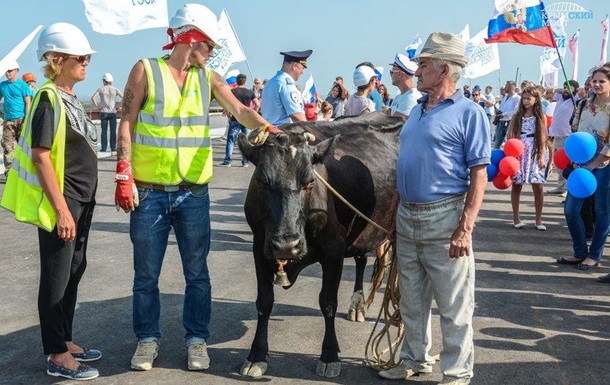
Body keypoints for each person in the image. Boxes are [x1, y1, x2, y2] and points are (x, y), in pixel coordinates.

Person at [114, 3, 279, 372]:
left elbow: (241, 111)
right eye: (209, 46)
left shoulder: (209, 78)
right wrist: (123, 173)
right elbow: (126, 120)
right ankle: (147, 340)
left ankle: (196, 340)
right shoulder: (146, 70)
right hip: (150, 192)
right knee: (146, 275)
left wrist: (275, 131)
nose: (212, 53)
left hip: (193, 193)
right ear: (190, 38)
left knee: (197, 273)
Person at [379, 32, 490, 385]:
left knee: (454, 306)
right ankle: (415, 358)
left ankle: (457, 374)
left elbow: (479, 174)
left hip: (445, 217)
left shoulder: (470, 113)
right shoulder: (416, 110)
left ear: (443, 70)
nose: (418, 69)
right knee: (411, 299)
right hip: (408, 215)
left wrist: (465, 227)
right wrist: (395, 215)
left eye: (424, 64)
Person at [1, 22, 100, 380]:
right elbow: (42, 156)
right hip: (65, 201)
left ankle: (67, 339)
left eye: (88, 57)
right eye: (80, 57)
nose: (86, 62)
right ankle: (56, 354)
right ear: (58, 60)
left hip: (82, 199)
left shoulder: (68, 97)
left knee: (74, 271)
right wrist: (61, 209)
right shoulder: (47, 98)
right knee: (56, 278)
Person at [557, 66, 610, 271]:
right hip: (580, 165)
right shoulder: (583, 104)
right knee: (570, 210)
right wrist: (575, 160)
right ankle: (579, 252)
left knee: (602, 211)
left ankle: (594, 255)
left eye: (601, 81)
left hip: (603, 165)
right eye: (594, 81)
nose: (596, 85)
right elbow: (576, 132)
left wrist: (594, 165)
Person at [506, 86, 551, 230]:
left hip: (535, 151)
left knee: (538, 186)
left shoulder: (541, 117)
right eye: (523, 98)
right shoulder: (517, 116)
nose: (525, 101)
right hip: (519, 151)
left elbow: (544, 137)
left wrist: (543, 158)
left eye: (528, 99)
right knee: (517, 185)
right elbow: (510, 135)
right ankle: (515, 217)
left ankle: (538, 220)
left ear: (536, 99)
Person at [261, 49, 312, 125]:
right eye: (302, 68)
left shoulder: (271, 82)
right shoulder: (287, 85)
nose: (302, 72)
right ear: (294, 66)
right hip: (283, 133)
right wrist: (312, 132)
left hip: (269, 131)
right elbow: (297, 115)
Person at [218, 73, 260, 167]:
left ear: (237, 81)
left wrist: (228, 113)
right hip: (246, 120)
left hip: (235, 118)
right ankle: (245, 162)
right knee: (246, 141)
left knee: (231, 140)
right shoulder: (250, 92)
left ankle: (227, 161)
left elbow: (227, 104)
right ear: (245, 81)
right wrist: (253, 113)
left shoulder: (232, 92)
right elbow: (257, 104)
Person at [547, 80, 579, 195]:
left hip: (567, 135)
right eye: (565, 87)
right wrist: (564, 88)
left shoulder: (574, 100)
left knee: (566, 163)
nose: (566, 89)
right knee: (558, 164)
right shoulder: (560, 98)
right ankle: (560, 187)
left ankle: (566, 188)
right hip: (556, 135)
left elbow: (582, 92)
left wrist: (573, 90)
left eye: (569, 88)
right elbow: (553, 91)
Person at [0, 60, 31, 177]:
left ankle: (26, 173)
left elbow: (28, 102)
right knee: (8, 147)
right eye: (6, 71)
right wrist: (3, 115)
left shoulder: (22, 85)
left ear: (16, 71)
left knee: (24, 146)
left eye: (10, 71)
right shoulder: (2, 86)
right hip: (8, 121)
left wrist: (27, 118)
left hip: (22, 119)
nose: (7, 73)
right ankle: (10, 173)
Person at [90, 72, 123, 154]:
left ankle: (103, 148)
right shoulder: (115, 89)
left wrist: (98, 106)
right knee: (113, 131)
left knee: (103, 131)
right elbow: (124, 97)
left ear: (104, 81)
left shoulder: (101, 89)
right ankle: (113, 148)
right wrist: (119, 105)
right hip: (113, 112)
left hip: (104, 112)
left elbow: (93, 98)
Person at [387, 53, 421, 120]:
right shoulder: (399, 97)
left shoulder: (411, 97)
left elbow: (392, 124)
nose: (391, 76)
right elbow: (385, 115)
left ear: (400, 74)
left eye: (392, 72)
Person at [494, 80, 520, 149]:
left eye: (506, 86)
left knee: (509, 142)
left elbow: (516, 111)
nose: (505, 88)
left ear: (511, 87)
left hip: (510, 123)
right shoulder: (505, 97)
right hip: (501, 122)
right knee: (497, 143)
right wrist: (498, 112)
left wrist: (504, 114)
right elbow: (502, 108)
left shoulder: (517, 98)